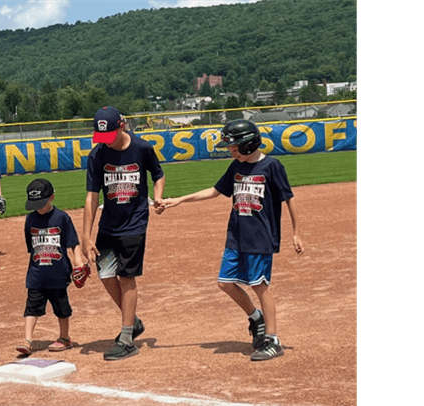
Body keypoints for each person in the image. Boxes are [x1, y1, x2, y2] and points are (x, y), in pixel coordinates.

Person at [161, 119, 304, 361]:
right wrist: (180, 200)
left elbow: (289, 198)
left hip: (260, 238)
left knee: (260, 286)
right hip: (236, 236)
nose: (231, 151)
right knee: (225, 283)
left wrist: (296, 232)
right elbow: (216, 191)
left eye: (234, 147)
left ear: (248, 144)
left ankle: (273, 339)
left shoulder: (271, 166)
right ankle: (256, 318)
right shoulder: (236, 167)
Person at [82, 106, 166, 361]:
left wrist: (158, 196)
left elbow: (158, 174)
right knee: (106, 274)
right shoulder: (97, 155)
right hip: (108, 225)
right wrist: (86, 236)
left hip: (135, 223)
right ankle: (134, 321)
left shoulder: (141, 148)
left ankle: (127, 338)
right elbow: (91, 196)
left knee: (126, 277)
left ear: (122, 126)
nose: (106, 142)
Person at [15, 178, 86, 355]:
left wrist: (78, 261)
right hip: (36, 273)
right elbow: (31, 248)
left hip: (59, 272)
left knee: (61, 309)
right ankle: (27, 340)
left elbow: (73, 242)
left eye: (41, 202)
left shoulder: (62, 217)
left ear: (52, 197)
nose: (38, 207)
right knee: (31, 308)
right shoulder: (30, 219)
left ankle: (64, 337)